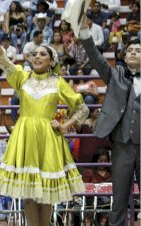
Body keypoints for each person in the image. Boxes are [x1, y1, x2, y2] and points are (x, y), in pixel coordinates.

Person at [0, 17, 88, 226]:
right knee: (29, 193)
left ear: (51, 61)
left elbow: (82, 108)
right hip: (25, 136)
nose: (38, 56)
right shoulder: (22, 76)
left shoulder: (58, 82)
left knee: (47, 193)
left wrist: (65, 126)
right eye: (35, 54)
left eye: (43, 54)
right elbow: (2, 58)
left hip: (49, 138)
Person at [79, 14, 140, 226]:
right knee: (119, 201)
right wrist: (85, 33)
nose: (133, 52)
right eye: (130, 50)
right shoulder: (116, 75)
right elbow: (96, 57)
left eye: (138, 50)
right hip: (122, 145)